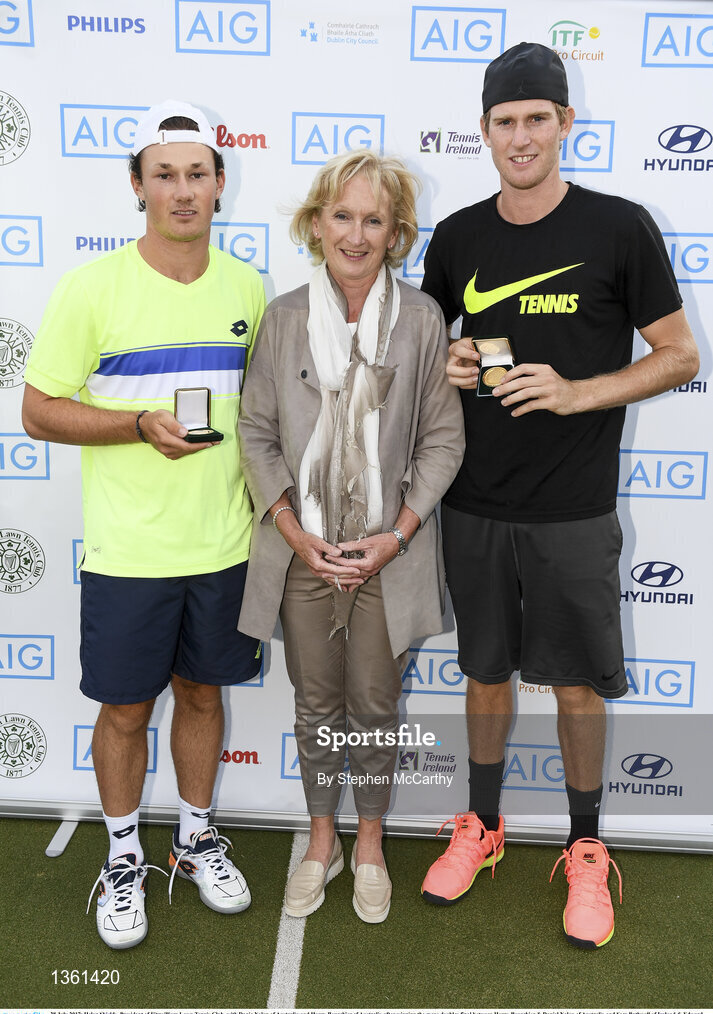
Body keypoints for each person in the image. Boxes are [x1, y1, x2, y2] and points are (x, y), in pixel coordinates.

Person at [419, 43, 699, 948]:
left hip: (574, 505)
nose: (521, 136)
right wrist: (454, 362)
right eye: (505, 122)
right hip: (473, 500)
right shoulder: (459, 234)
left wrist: (577, 391)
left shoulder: (618, 226)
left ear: (564, 123)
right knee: (484, 674)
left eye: (537, 118)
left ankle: (584, 847)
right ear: (486, 132)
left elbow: (679, 355)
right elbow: (436, 352)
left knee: (576, 685)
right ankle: (484, 826)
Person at [22, 100, 266, 950]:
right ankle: (124, 854)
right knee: (126, 711)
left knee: (203, 694)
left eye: (197, 173)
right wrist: (134, 425)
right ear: (137, 186)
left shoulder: (248, 287)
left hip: (226, 545)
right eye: (164, 174)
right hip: (129, 553)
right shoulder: (92, 287)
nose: (183, 190)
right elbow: (37, 411)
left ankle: (194, 841)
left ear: (220, 184)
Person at [237, 150, 464, 923]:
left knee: (372, 703)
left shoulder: (424, 320)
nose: (356, 234)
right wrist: (297, 534)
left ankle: (368, 842)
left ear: (396, 232)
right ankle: (320, 838)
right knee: (313, 705)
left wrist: (394, 536)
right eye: (342, 216)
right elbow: (256, 433)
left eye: (374, 219)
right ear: (316, 223)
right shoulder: (285, 318)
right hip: (302, 551)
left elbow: (442, 442)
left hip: (386, 555)